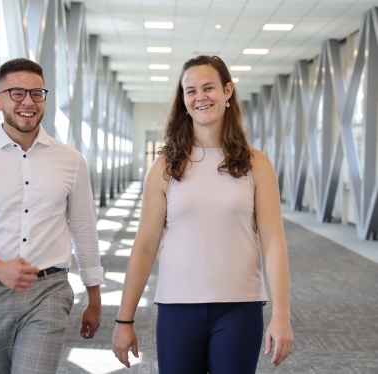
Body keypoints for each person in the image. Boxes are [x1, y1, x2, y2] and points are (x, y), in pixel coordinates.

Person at [111, 55, 293, 373]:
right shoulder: (165, 166)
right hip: (177, 308)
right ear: (183, 100)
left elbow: (274, 242)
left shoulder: (256, 164)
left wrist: (281, 314)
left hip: (240, 306)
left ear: (227, 91)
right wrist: (124, 319)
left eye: (208, 88)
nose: (200, 97)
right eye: (190, 91)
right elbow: (144, 246)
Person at [0, 58, 103, 374]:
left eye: (36, 93)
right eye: (16, 93)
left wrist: (94, 296)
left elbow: (83, 227)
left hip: (50, 291)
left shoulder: (71, 162)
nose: (28, 102)